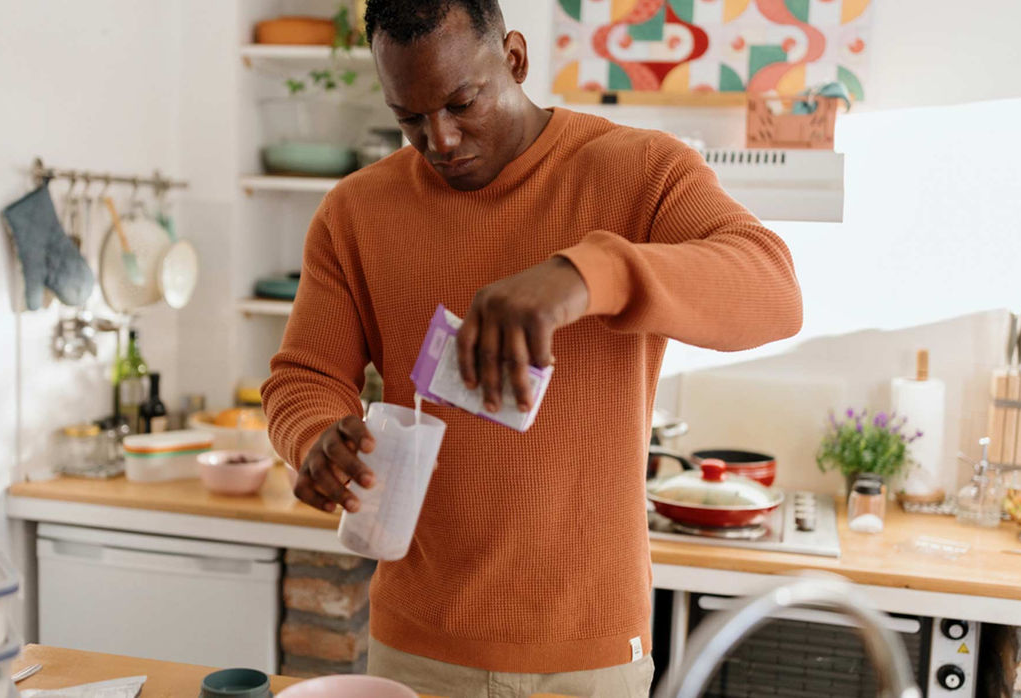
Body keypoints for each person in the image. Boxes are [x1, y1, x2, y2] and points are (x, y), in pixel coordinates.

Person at [260, 1, 802, 695]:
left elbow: (775, 290)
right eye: (410, 119)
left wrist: (588, 274)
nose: (441, 140)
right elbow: (303, 377)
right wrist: (312, 436)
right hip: (418, 649)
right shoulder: (357, 212)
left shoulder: (641, 172)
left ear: (514, 58)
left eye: (462, 102)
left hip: (591, 656)